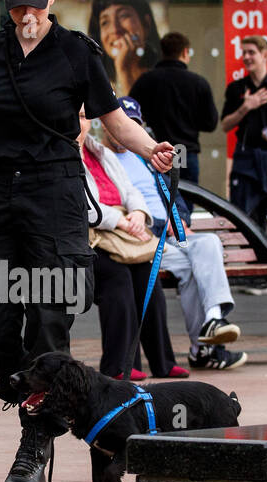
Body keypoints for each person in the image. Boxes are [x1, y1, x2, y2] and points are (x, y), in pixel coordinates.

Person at [0, 0, 175, 482]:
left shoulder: (77, 53)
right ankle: (45, 391)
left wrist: (152, 148)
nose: (26, 12)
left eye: (34, 1)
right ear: (5, 0)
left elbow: (115, 120)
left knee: (48, 316)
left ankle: (35, 441)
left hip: (55, 196)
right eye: (16, 2)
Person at [110, 97, 247, 370]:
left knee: (208, 242)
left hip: (170, 234)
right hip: (142, 237)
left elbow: (176, 194)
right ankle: (203, 349)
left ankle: (213, 316)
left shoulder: (146, 159)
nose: (126, 131)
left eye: (133, 124)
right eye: (122, 124)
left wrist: (181, 219)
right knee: (192, 269)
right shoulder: (108, 160)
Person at [79, 109, 188, 380]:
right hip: (91, 238)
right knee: (118, 279)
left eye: (83, 116)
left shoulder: (99, 152)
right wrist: (122, 221)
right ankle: (119, 366)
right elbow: (81, 207)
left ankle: (163, 362)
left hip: (121, 231)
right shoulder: (62, 159)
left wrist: (138, 213)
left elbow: (131, 190)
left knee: (146, 275)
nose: (80, 122)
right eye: (75, 115)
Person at [127, 32, 220, 185]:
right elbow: (210, 123)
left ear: (163, 52)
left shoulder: (146, 81)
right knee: (186, 201)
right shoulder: (198, 83)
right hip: (185, 152)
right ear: (185, 52)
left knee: (159, 201)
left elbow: (130, 115)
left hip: (156, 152)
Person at [221, 35, 267, 227]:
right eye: (243, 52)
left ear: (265, 55)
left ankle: (262, 256)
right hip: (244, 160)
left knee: (265, 215)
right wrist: (246, 107)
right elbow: (225, 125)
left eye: (251, 52)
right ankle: (250, 256)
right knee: (243, 217)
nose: (246, 57)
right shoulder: (236, 88)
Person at [87, 0, 162, 96]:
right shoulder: (95, 85)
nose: (115, 29)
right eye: (105, 22)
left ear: (146, 24)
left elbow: (136, 114)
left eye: (123, 16)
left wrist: (125, 71)